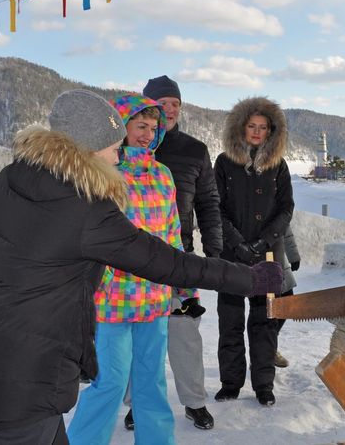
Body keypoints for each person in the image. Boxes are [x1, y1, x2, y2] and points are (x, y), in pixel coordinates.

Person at [0, 89, 283, 445]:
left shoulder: (10, 177)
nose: (119, 155)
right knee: (103, 386)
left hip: (6, 357)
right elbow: (164, 261)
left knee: (131, 391)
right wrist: (248, 278)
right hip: (36, 367)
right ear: (88, 148)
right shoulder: (88, 206)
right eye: (114, 147)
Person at [67, 95, 182, 444]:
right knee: (110, 382)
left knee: (152, 383)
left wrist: (184, 284)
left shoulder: (163, 174)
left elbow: (172, 231)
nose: (147, 135)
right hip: (111, 297)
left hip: (155, 296)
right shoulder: (102, 173)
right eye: (140, 126)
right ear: (120, 128)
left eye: (153, 128)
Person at [122, 75, 221, 431]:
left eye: (175, 103)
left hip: (179, 255)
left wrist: (214, 252)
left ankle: (195, 402)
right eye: (162, 103)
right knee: (136, 340)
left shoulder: (195, 150)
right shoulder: (125, 151)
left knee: (184, 334)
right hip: (131, 263)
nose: (169, 109)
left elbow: (208, 203)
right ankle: (137, 403)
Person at [214, 96, 294, 407]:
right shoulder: (224, 163)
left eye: (263, 127)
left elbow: (286, 208)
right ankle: (230, 383)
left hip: (268, 255)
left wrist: (264, 242)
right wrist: (237, 243)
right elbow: (216, 208)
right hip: (231, 255)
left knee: (264, 324)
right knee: (230, 322)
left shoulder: (279, 165)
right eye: (252, 126)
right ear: (241, 128)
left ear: (271, 131)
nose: (257, 132)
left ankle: (264, 385)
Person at [274, 224, 300, 368]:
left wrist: (293, 255)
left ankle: (268, 347)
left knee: (286, 303)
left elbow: (285, 227)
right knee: (263, 311)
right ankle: (262, 354)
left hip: (278, 255)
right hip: (256, 256)